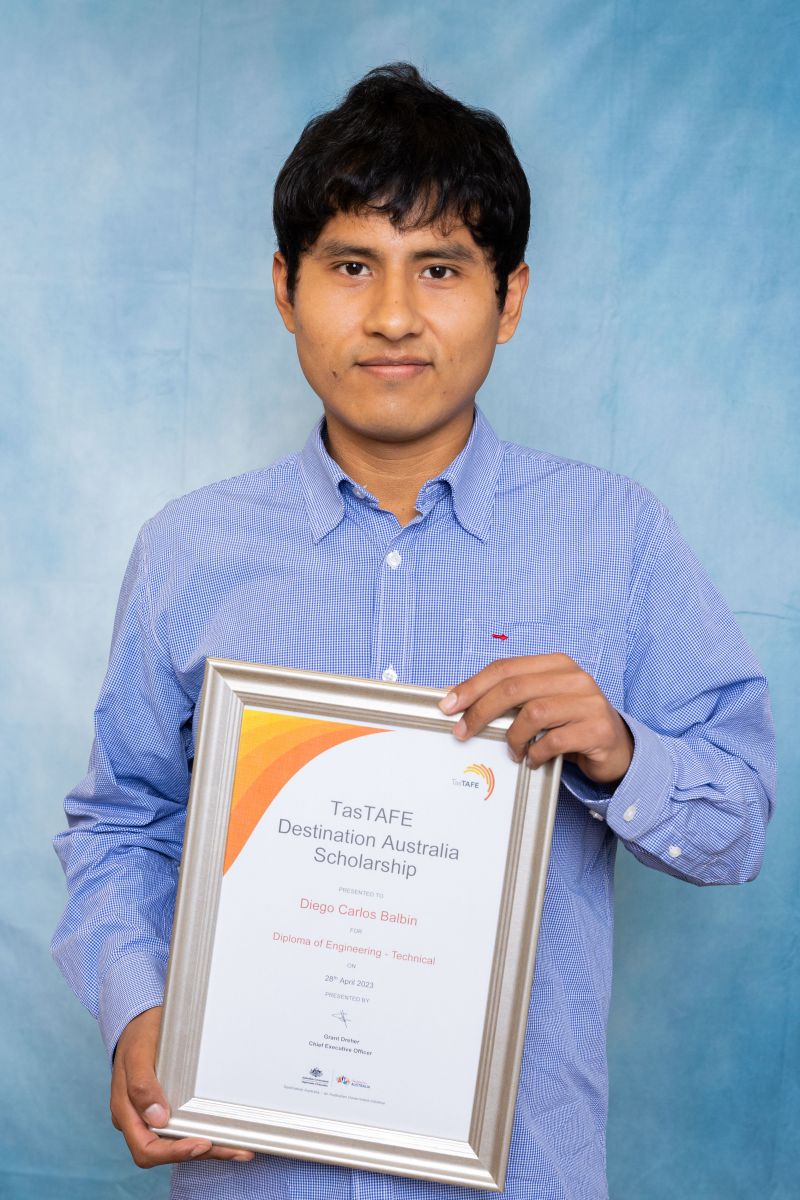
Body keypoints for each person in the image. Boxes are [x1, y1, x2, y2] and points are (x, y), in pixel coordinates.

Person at [52, 62, 775, 1200]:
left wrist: (621, 751)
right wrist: (135, 1006)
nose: (392, 314)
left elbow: (736, 825)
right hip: (254, 1175)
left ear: (511, 297)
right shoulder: (189, 552)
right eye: (350, 267)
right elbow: (121, 827)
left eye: (439, 268)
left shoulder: (615, 539)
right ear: (285, 290)